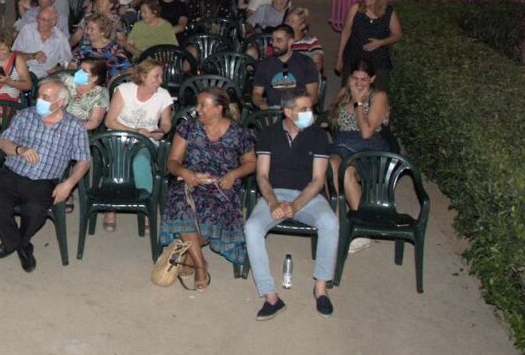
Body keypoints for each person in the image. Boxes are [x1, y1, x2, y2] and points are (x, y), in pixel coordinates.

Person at [246, 92, 336, 319]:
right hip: (274, 193)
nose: (310, 114)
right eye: (304, 109)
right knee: (252, 227)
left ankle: (321, 288)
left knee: (330, 222)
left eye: (311, 108)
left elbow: (318, 180)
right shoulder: (269, 134)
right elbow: (262, 176)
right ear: (288, 112)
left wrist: (295, 206)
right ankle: (270, 297)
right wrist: (273, 202)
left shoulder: (318, 136)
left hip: (307, 195)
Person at [0, 77, 90, 272]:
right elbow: (3, 142)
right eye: (39, 96)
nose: (39, 100)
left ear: (61, 102)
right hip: (12, 173)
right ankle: (21, 245)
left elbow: (84, 160)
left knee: (35, 211)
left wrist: (69, 184)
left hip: (44, 181)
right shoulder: (25, 116)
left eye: (46, 97)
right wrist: (19, 149)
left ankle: (16, 242)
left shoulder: (75, 126)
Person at [161, 88, 257, 290]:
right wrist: (186, 173)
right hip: (190, 181)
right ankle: (200, 265)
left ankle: (189, 252)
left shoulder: (239, 133)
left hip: (221, 185)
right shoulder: (187, 129)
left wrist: (233, 174)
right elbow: (172, 162)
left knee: (214, 209)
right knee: (180, 204)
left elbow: (250, 163)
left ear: (218, 109)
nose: (197, 109)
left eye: (202, 105)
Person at [327, 58, 391, 254]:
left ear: (372, 79)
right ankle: (339, 222)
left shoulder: (378, 96)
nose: (359, 83)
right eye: (355, 78)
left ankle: (362, 228)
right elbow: (334, 121)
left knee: (346, 171)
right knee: (329, 165)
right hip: (343, 145)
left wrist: (358, 102)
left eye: (364, 79)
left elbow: (366, 132)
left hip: (368, 149)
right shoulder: (344, 94)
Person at [104, 59, 174, 229]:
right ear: (143, 76)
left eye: (161, 76)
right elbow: (110, 121)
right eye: (156, 76)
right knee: (117, 161)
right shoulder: (124, 91)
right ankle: (111, 207)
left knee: (141, 161)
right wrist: (135, 130)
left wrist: (161, 132)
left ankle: (147, 206)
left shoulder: (163, 95)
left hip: (147, 139)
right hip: (121, 136)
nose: (160, 81)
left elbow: (166, 123)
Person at [335, 0, 402, 87]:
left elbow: (397, 34)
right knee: (350, 94)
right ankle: (357, 105)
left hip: (378, 60)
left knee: (377, 95)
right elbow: (346, 32)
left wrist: (381, 42)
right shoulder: (355, 9)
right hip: (354, 57)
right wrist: (339, 58)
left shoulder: (388, 12)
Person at [252, 25, 320, 109]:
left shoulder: (305, 63)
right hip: (273, 110)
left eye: (279, 40)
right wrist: (261, 104)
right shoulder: (265, 64)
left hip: (299, 110)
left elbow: (313, 97)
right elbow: (257, 94)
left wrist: (298, 109)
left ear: (290, 42)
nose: (274, 44)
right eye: (272, 40)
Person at [12, 6, 71, 80]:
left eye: (44, 20)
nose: (39, 22)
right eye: (38, 18)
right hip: (22, 71)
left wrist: (56, 70)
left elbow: (67, 63)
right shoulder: (27, 29)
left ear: (53, 22)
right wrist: (32, 56)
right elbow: (14, 54)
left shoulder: (61, 38)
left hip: (45, 77)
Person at [71, 14, 133, 80]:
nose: (88, 32)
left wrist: (117, 77)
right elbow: (72, 65)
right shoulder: (85, 49)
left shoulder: (114, 48)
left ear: (102, 32)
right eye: (87, 28)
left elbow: (130, 70)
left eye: (92, 29)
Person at [62, 59, 110, 131]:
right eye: (79, 69)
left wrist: (70, 126)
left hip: (77, 130)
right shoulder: (67, 80)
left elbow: (94, 122)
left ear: (94, 78)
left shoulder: (101, 94)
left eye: (84, 71)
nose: (78, 72)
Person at [285, 7, 324, 73]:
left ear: (302, 26)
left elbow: (318, 64)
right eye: (287, 20)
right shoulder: (282, 41)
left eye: (292, 22)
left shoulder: (311, 42)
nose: (287, 24)